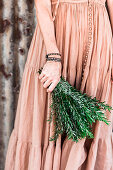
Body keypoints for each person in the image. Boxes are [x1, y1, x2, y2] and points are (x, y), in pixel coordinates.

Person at [5, 0, 113, 169]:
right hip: (59, 39)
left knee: (92, 128)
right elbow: (42, 5)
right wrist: (53, 56)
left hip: (100, 46)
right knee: (51, 124)